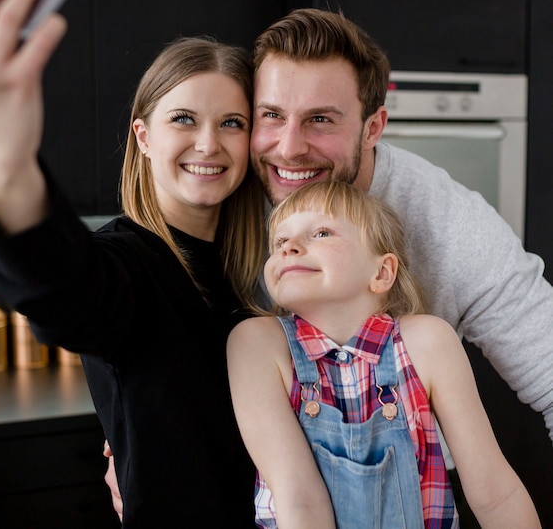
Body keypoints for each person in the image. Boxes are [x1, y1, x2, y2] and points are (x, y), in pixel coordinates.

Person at [104, 7, 553, 519]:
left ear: (372, 127)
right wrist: (138, 441)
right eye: (271, 115)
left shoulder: (450, 225)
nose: (289, 148)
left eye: (321, 119)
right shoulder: (223, 182)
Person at [0, 0, 266, 527]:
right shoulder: (128, 264)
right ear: (143, 136)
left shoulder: (264, 266)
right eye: (183, 119)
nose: (209, 144)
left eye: (231, 123)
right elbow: (64, 293)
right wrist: (3, 155)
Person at [227, 179, 541, 529]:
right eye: (280, 241)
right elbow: (298, 498)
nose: (290, 248)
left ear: (381, 272)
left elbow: (495, 493)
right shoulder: (258, 343)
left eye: (321, 233)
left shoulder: (427, 342)